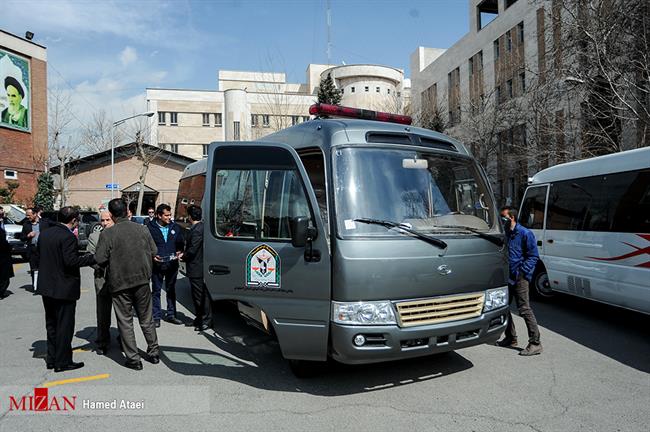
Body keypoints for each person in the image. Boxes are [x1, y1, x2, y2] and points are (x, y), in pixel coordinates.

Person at [94, 199, 160, 370]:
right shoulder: (142, 229)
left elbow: (99, 259)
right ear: (127, 211)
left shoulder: (107, 234)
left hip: (120, 283)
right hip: (142, 281)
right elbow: (154, 251)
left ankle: (133, 359)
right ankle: (153, 352)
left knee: (125, 321)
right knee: (146, 319)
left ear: (112, 214)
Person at [35, 207, 95, 372]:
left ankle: (52, 358)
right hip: (64, 288)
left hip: (47, 287)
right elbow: (71, 261)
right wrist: (91, 258)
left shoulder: (45, 233)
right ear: (74, 220)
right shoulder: (68, 236)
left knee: (52, 324)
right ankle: (63, 362)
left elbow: (40, 254)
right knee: (65, 326)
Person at [496, 206, 543, 356]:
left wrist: (522, 273)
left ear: (512, 218)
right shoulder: (506, 233)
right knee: (503, 307)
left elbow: (533, 256)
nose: (501, 221)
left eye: (503, 218)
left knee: (524, 309)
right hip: (507, 277)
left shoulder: (525, 233)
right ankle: (511, 338)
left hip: (520, 278)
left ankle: (535, 343)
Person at [148, 203, 184, 327]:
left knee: (171, 290)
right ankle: (156, 317)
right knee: (156, 291)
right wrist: (152, 255)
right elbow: (145, 246)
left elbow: (180, 242)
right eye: (166, 215)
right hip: (157, 265)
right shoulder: (149, 228)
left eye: (170, 215)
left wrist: (180, 251)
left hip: (172, 264)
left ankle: (171, 315)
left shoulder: (175, 227)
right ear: (159, 215)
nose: (169, 217)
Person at [86, 210, 114, 355]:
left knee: (123, 312)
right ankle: (103, 341)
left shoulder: (118, 234)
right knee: (103, 313)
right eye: (102, 220)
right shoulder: (94, 236)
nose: (104, 223)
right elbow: (90, 257)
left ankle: (125, 340)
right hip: (101, 279)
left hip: (120, 280)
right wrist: (102, 265)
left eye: (107, 220)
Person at [182, 205, 212, 331]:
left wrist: (183, 256)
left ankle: (206, 320)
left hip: (197, 266)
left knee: (200, 295)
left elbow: (193, 249)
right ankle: (199, 318)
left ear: (190, 216)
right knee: (197, 295)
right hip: (197, 266)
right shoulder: (198, 227)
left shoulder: (198, 229)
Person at [20, 206, 50, 289]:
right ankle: (35, 286)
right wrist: (28, 235)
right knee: (34, 269)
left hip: (44, 249)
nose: (27, 217)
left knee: (44, 268)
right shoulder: (26, 225)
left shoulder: (44, 223)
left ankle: (45, 285)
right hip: (32, 249)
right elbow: (22, 238)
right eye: (27, 215)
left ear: (35, 214)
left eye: (29, 215)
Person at [0, 223, 14, 299]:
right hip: (3, 257)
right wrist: (9, 247)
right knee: (4, 278)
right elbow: (4, 244)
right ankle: (1, 293)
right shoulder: (1, 232)